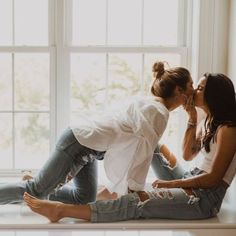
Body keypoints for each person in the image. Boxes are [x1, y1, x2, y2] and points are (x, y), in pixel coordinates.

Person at [23, 72, 236, 222]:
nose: (194, 91)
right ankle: (111, 189)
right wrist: (191, 118)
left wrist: (172, 185)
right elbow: (188, 155)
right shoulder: (209, 122)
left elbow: (213, 179)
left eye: (199, 88)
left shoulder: (229, 129)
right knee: (151, 142)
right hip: (192, 177)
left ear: (213, 95)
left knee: (138, 202)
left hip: (205, 197)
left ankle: (63, 211)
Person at [0, 61, 193, 205]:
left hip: (88, 148)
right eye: (191, 85)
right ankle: (36, 183)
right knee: (36, 193)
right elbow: (144, 153)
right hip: (78, 142)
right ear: (179, 89)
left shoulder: (152, 105)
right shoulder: (158, 112)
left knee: (83, 197)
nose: (193, 91)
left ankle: (36, 180)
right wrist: (135, 190)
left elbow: (140, 149)